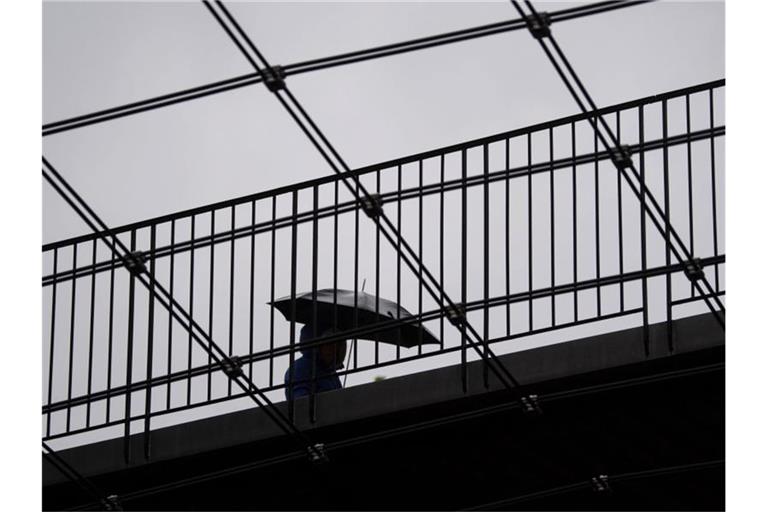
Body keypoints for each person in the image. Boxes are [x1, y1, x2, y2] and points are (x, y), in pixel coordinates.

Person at [284, 322, 347, 400]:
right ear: (316, 346)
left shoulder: (331, 372)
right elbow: (301, 403)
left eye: (337, 346)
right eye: (328, 344)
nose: (333, 350)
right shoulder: (300, 369)